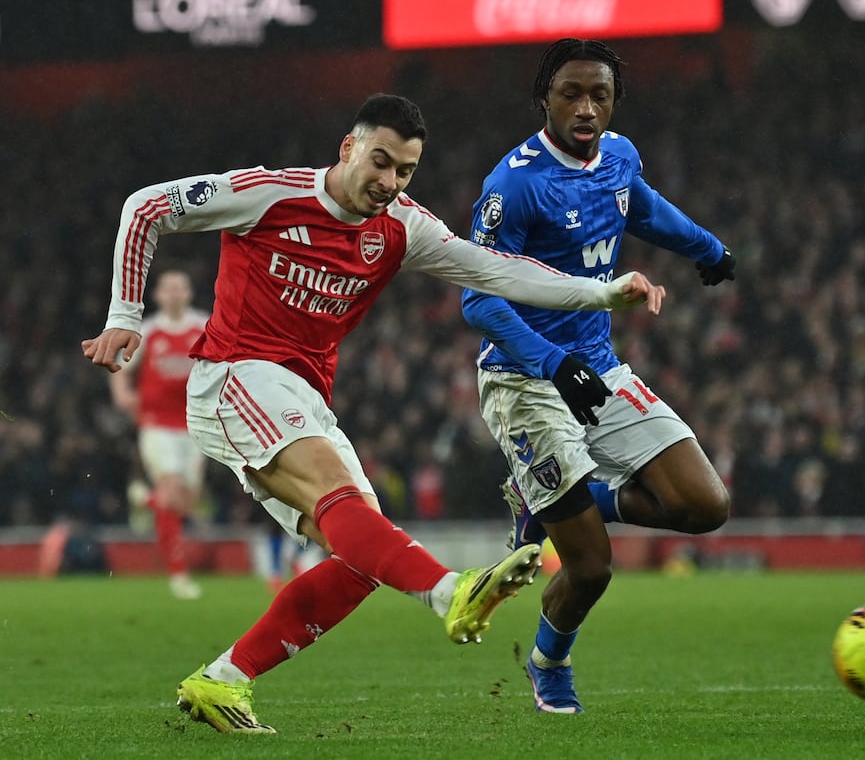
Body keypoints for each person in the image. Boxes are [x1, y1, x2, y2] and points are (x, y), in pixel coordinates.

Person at [81, 93, 667, 734]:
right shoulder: (270, 194)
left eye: (405, 171)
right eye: (380, 162)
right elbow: (146, 208)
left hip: (303, 396)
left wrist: (603, 292)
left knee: (362, 555)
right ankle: (450, 591)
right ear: (348, 148)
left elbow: (494, 269)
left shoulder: (404, 228)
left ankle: (224, 680)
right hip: (233, 376)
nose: (389, 182)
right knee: (349, 511)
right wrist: (123, 317)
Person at [461, 38, 734, 714]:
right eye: (571, 94)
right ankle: (549, 660)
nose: (586, 108)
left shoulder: (618, 154)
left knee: (706, 505)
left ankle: (552, 502)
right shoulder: (513, 185)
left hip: (601, 368)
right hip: (525, 378)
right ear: (544, 99)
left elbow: (638, 205)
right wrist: (553, 362)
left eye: (600, 96)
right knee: (591, 565)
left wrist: (706, 247)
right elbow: (479, 298)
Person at [107, 269, 209, 599]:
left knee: (188, 502)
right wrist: (123, 393)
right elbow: (121, 364)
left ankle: (144, 499)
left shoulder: (204, 326)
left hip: (195, 425)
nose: (175, 293)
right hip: (156, 425)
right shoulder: (148, 331)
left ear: (189, 293)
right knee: (172, 490)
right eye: (169, 288)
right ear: (159, 296)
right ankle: (179, 577)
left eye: (180, 287)